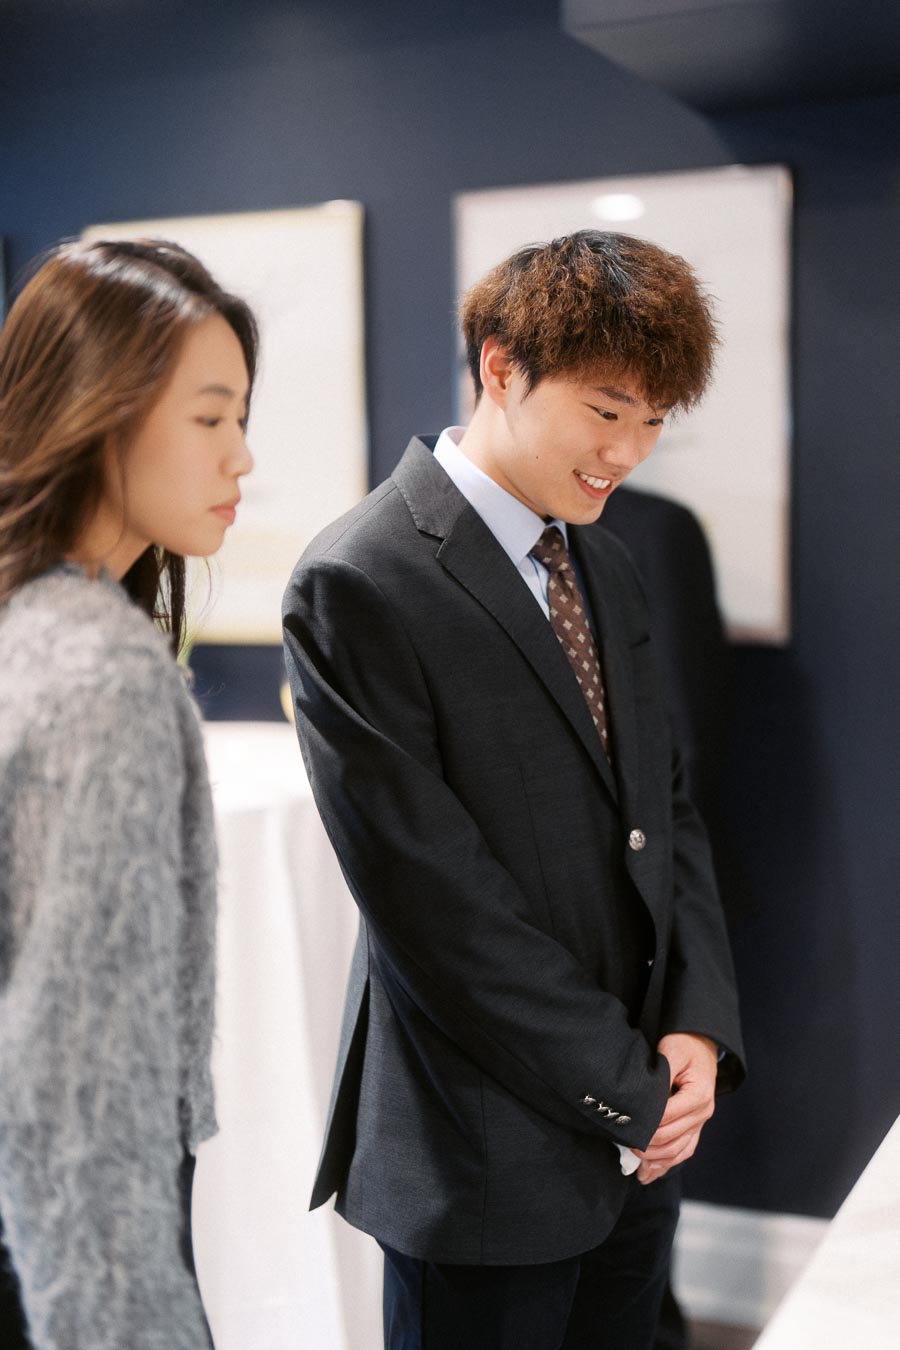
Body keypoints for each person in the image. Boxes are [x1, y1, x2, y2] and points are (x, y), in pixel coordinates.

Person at [283, 229, 745, 1350]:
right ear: (501, 366)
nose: (627, 451)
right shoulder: (360, 579)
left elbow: (666, 805)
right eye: (605, 410)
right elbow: (437, 910)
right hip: (485, 1150)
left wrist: (694, 1024)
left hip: (639, 1138)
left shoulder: (606, 558)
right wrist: (628, 1091)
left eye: (650, 422)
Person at [0, 238, 257, 1349]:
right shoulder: (102, 674)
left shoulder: (29, 627)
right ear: (98, 409)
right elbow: (81, 1092)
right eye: (210, 419)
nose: (242, 458)